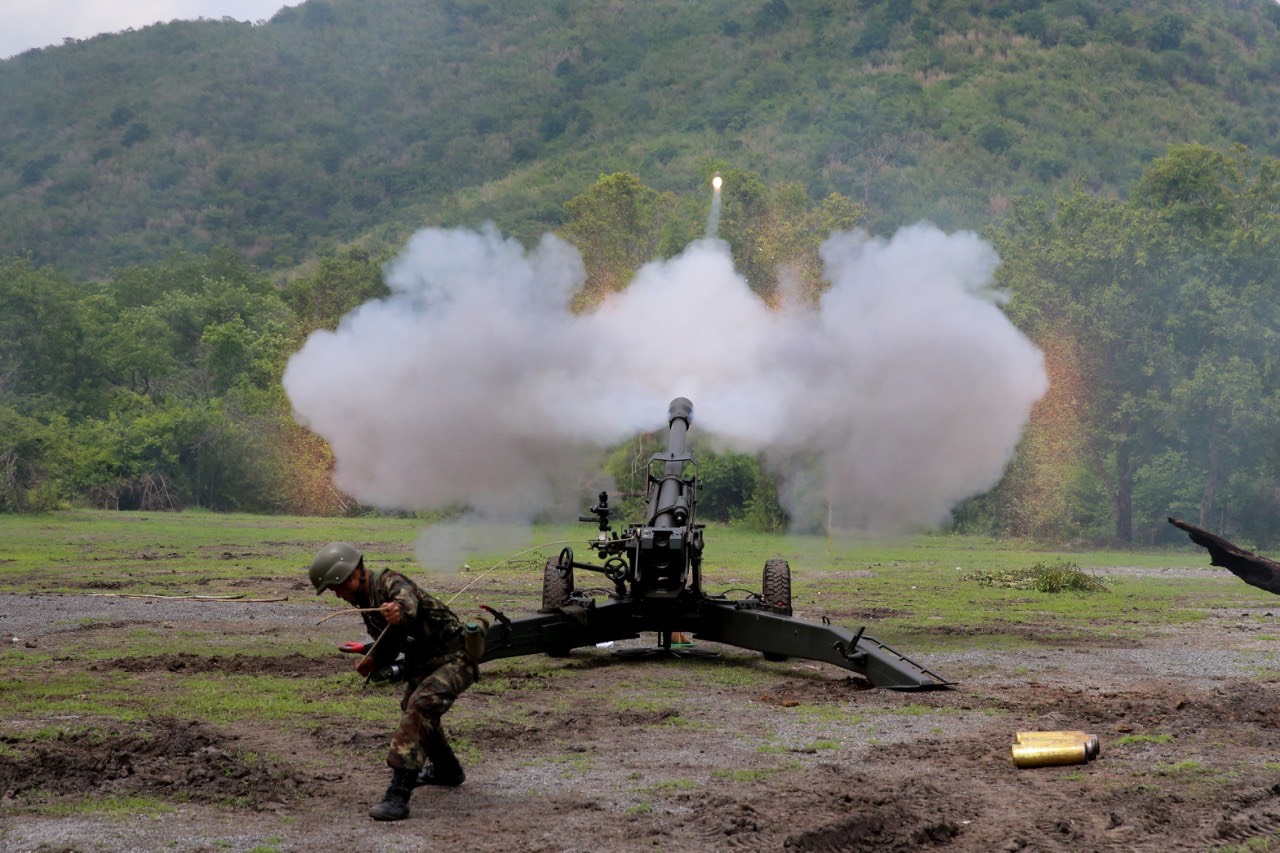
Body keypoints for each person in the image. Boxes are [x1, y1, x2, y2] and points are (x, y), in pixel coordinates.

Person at [309, 541, 478, 822]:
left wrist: (397, 610)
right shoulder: (367, 600)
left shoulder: (391, 582)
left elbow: (405, 602)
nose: (337, 595)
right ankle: (448, 771)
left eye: (336, 586)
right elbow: (391, 640)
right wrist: (372, 658)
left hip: (456, 658)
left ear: (351, 574)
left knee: (419, 709)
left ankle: (398, 797)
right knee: (415, 708)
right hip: (427, 663)